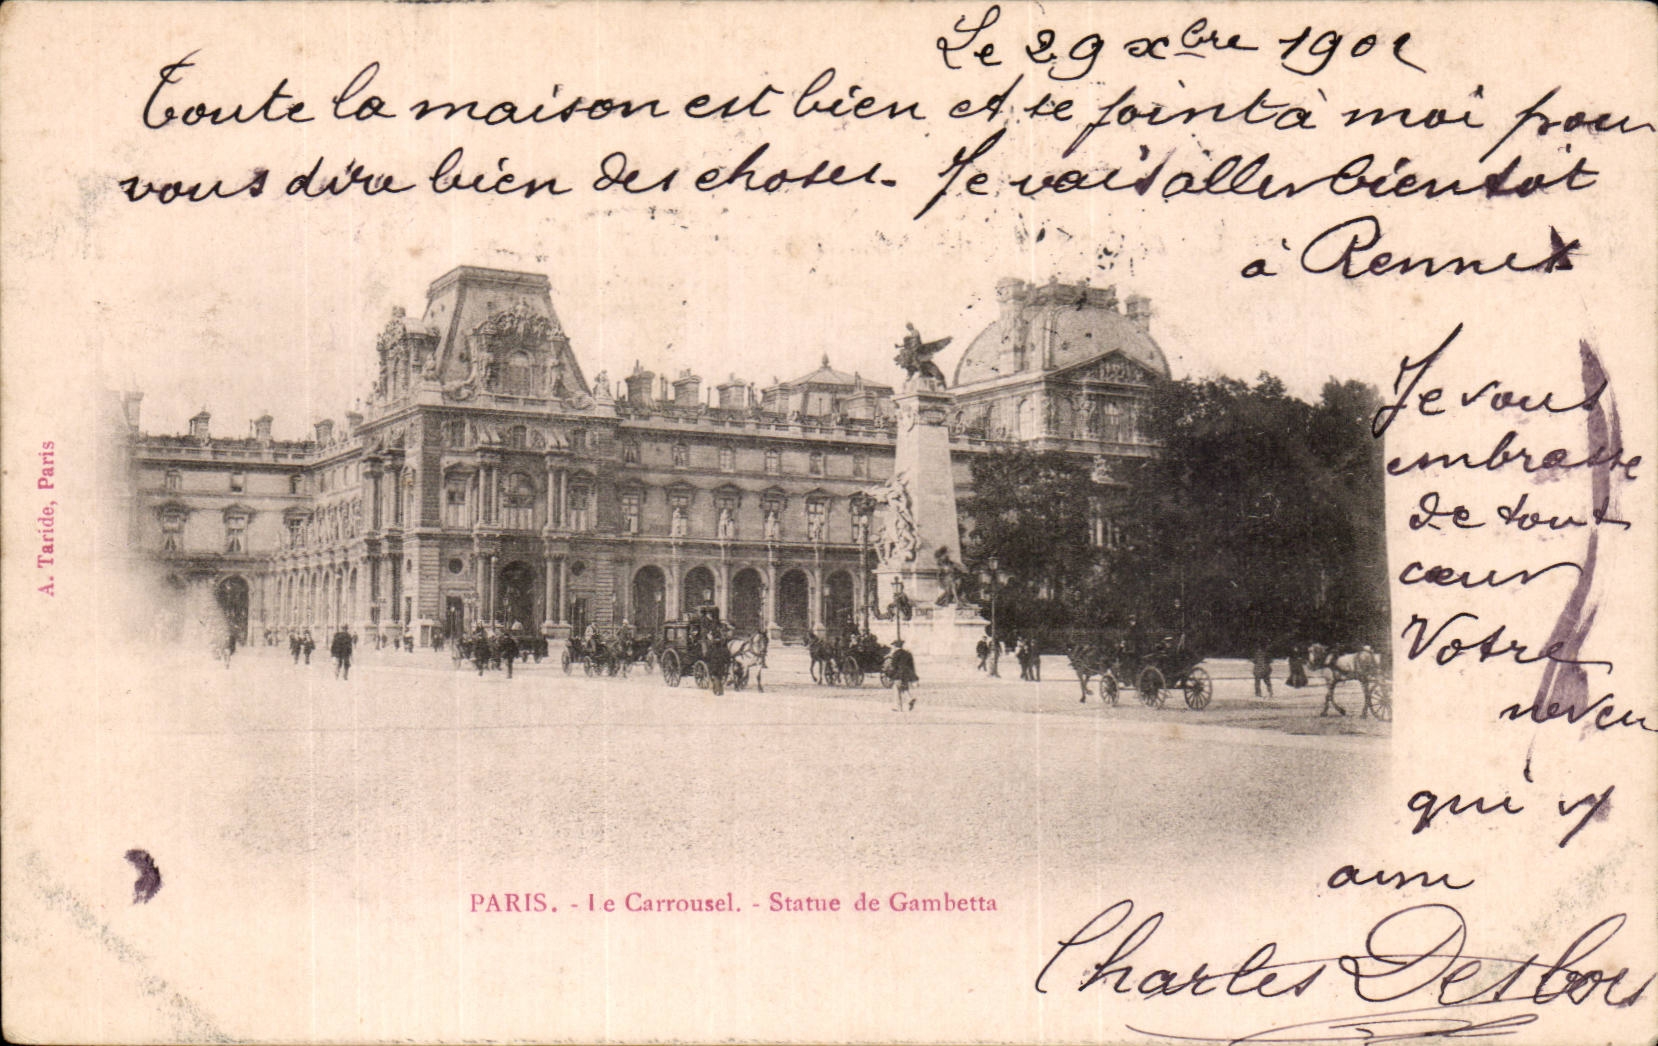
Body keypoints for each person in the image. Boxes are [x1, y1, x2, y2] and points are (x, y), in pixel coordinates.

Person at [887, 638, 919, 711]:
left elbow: (893, 666)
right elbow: (912, 666)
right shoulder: (908, 653)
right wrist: (914, 677)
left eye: (893, 646)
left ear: (895, 646)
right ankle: (909, 699)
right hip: (906, 674)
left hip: (898, 674)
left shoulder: (895, 654)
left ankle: (897, 707)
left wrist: (890, 675)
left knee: (896, 689)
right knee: (904, 687)